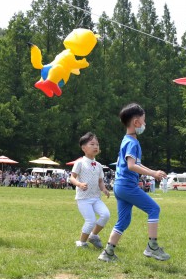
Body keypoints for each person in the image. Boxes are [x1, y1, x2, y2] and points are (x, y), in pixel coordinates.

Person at [98, 103, 169, 263]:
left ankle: (107, 253)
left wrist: (153, 172)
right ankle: (152, 246)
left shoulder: (127, 140)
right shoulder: (132, 143)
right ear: (136, 122)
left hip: (120, 186)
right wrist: (153, 173)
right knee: (154, 208)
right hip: (127, 186)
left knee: (124, 220)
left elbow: (136, 163)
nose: (145, 124)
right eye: (144, 121)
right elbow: (131, 166)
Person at [68, 132, 110, 249]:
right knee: (90, 220)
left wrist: (104, 189)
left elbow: (100, 181)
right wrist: (79, 184)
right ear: (83, 148)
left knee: (105, 214)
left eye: (97, 144)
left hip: (96, 198)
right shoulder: (79, 163)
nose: (96, 146)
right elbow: (72, 177)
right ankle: (81, 242)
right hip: (83, 199)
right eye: (92, 144)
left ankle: (93, 235)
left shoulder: (98, 165)